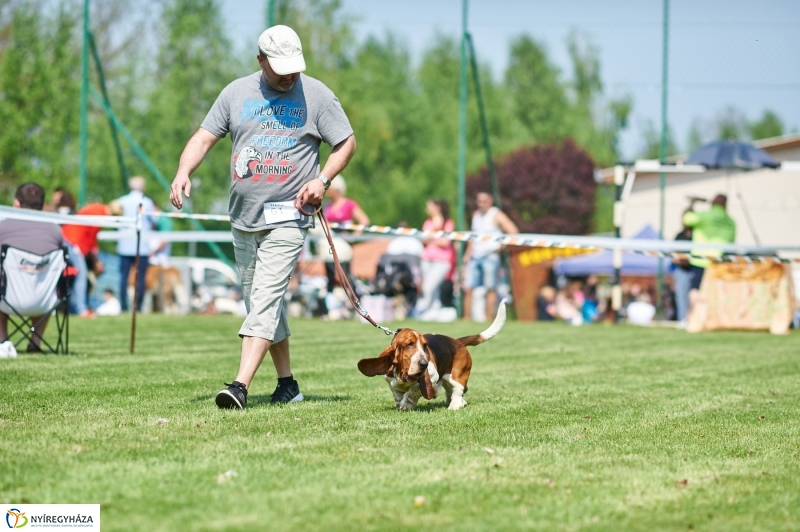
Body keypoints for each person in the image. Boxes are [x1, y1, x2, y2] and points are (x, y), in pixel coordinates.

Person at [169, 24, 356, 409]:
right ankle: (288, 385)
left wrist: (322, 180)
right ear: (260, 60)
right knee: (262, 304)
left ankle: (239, 385)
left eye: (294, 67)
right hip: (243, 218)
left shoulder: (317, 95)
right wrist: (183, 172)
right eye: (281, 67)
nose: (290, 75)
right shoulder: (235, 92)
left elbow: (346, 142)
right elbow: (204, 136)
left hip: (290, 217)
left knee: (266, 298)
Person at [0, 183, 66, 356]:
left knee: (5, 280)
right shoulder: (55, 230)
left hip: (7, 300)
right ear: (42, 204)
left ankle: (3, 340)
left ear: (16, 203)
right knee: (42, 281)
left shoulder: (3, 226)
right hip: (44, 302)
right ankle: (35, 341)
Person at [462, 192, 519, 321]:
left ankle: (488, 319)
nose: (481, 204)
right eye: (479, 201)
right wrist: (467, 254)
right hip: (475, 255)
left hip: (490, 255)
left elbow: (513, 231)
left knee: (490, 288)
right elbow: (473, 237)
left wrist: (500, 246)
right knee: (468, 288)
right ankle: (465, 319)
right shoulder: (476, 215)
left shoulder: (496, 214)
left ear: (490, 201)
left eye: (484, 201)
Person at [318, 176, 368, 316]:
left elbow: (364, 220)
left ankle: (354, 306)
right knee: (329, 277)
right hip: (329, 245)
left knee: (346, 276)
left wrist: (353, 238)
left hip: (343, 246)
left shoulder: (349, 204)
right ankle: (329, 310)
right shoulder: (327, 205)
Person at [683, 194, 736, 297]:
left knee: (695, 292)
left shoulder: (705, 215)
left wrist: (692, 203)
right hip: (719, 263)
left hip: (700, 261)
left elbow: (686, 219)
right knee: (716, 294)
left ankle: (696, 313)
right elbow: (731, 242)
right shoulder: (731, 222)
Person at [116, 176, 155, 312]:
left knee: (123, 277)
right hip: (141, 247)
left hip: (124, 245)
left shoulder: (122, 201)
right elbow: (154, 220)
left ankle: (123, 306)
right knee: (140, 277)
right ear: (143, 188)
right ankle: (137, 307)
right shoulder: (147, 202)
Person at [412, 199, 455, 319]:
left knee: (428, 287)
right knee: (433, 289)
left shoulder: (448, 223)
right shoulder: (428, 222)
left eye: (429, 206)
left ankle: (422, 311)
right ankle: (433, 312)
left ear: (437, 207)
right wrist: (436, 239)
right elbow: (424, 240)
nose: (427, 209)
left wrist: (431, 239)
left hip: (442, 261)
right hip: (427, 259)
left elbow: (445, 242)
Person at [56, 190, 96, 318]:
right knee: (81, 275)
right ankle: (81, 308)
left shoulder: (55, 214)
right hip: (71, 247)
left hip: (57, 249)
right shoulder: (74, 215)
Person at [671, 210, 694, 324]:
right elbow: (673, 254)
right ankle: (682, 320)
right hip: (681, 270)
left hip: (695, 269)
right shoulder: (679, 236)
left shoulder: (697, 235)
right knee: (681, 296)